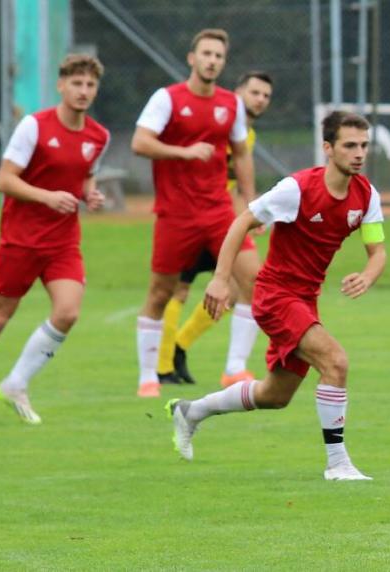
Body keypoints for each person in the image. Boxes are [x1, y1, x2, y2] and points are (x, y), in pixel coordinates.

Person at [165, 111, 386, 482]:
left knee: (275, 395)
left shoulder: (366, 196)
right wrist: (221, 279)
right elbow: (241, 222)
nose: (359, 153)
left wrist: (367, 275)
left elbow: (377, 251)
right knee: (336, 362)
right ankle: (338, 464)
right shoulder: (297, 189)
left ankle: (191, 411)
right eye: (350, 145)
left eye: (364, 145)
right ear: (328, 148)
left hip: (305, 299)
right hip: (276, 295)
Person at [131, 29, 260, 398]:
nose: (212, 60)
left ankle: (234, 369)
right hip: (175, 214)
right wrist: (184, 152)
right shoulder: (167, 99)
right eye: (206, 53)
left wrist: (251, 204)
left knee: (255, 280)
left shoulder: (230, 104)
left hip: (219, 211)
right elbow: (139, 142)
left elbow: (242, 153)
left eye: (218, 55)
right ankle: (147, 377)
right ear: (192, 58)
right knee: (161, 293)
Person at [0, 54, 110, 423]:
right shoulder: (34, 127)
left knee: (68, 311)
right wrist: (47, 195)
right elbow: (5, 180)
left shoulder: (98, 136)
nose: (83, 91)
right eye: (76, 83)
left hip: (62, 242)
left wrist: (90, 194)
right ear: (61, 85)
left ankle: (16, 384)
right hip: (21, 239)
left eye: (90, 85)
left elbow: (84, 177)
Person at [157, 71, 274, 386]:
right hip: (191, 216)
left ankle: (183, 347)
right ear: (237, 92)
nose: (260, 99)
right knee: (177, 289)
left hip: (221, 220)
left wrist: (249, 215)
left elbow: (232, 184)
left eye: (266, 95)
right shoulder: (214, 124)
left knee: (238, 289)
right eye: (254, 92)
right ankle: (163, 365)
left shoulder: (246, 138)